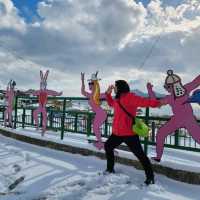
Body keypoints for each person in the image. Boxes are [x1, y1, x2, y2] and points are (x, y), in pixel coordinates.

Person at [104, 80, 160, 185]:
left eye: (115, 86)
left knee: (140, 155)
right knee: (108, 146)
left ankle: (150, 177)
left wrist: (158, 103)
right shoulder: (118, 98)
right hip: (117, 133)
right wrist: (108, 93)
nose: (114, 88)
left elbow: (144, 102)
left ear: (120, 87)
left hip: (129, 133)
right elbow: (111, 103)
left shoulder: (130, 97)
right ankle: (110, 169)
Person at [147, 70, 200, 162]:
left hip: (184, 119)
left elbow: (155, 103)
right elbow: (196, 81)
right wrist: (150, 90)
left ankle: (158, 157)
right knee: (160, 134)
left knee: (161, 134)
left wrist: (150, 90)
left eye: (166, 87)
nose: (167, 89)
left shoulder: (172, 97)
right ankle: (158, 157)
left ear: (170, 87)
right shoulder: (181, 91)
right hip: (183, 119)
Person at [81, 72, 107, 150]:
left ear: (94, 85)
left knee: (96, 128)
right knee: (96, 128)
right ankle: (100, 143)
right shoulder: (90, 95)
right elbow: (83, 92)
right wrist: (82, 80)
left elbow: (107, 95)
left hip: (101, 114)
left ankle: (101, 143)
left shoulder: (97, 95)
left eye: (91, 84)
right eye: (89, 83)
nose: (89, 85)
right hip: (98, 114)